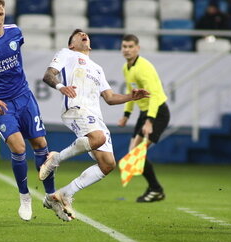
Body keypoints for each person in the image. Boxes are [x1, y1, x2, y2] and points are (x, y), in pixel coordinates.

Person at [0, 0, 68, 221]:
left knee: (41, 145)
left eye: (1, 14)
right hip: (1, 105)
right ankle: (25, 197)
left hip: (24, 97)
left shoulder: (15, 32)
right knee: (19, 148)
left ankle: (51, 196)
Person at [38, 29, 150, 219]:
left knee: (108, 164)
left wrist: (131, 96)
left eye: (86, 34)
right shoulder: (67, 54)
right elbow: (49, 75)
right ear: (71, 44)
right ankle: (55, 159)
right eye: (78, 34)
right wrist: (60, 86)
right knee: (97, 138)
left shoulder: (97, 68)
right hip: (76, 109)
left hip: (95, 116)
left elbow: (110, 97)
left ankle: (62, 194)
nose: (84, 35)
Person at [117, 34, 171, 202]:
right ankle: (154, 188)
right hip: (145, 113)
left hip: (157, 113)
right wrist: (126, 115)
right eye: (124, 46)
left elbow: (154, 96)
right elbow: (132, 93)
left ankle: (156, 189)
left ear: (137, 48)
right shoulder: (126, 68)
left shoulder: (144, 68)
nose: (127, 50)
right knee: (132, 155)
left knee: (136, 155)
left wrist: (149, 121)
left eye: (130, 46)